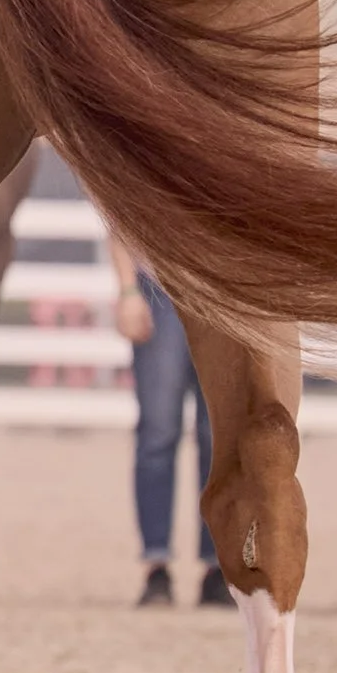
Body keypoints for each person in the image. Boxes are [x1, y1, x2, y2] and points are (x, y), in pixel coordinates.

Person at [108, 230, 226, 607]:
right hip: (160, 286)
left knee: (216, 435)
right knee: (158, 429)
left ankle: (216, 565)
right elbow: (119, 217)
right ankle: (156, 563)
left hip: (222, 291)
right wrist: (128, 291)